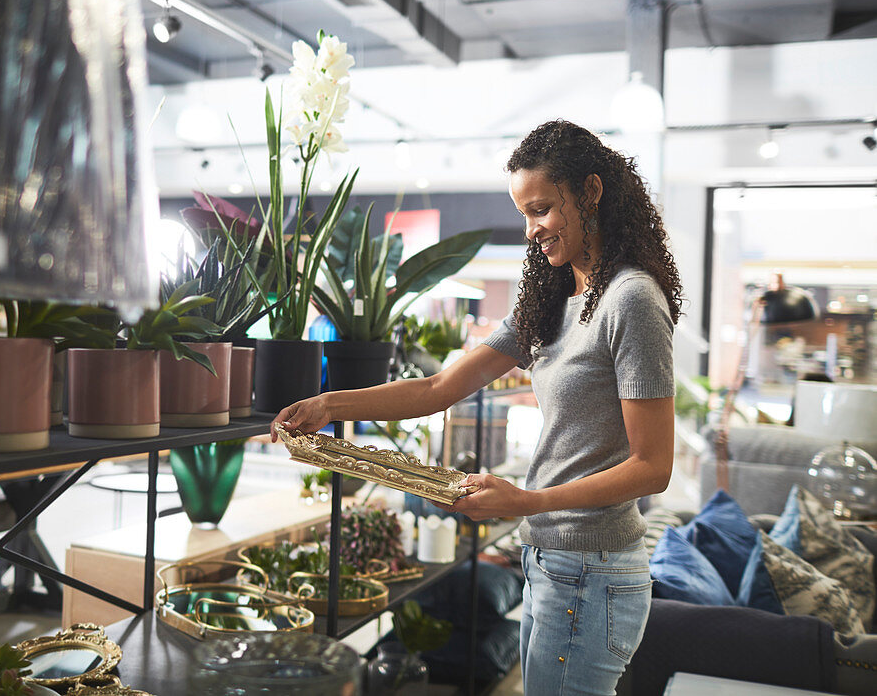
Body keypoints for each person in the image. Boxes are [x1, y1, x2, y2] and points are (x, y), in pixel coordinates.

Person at [272, 119, 683, 695]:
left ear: (591, 192)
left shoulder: (632, 299)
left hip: (594, 571)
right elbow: (438, 389)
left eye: (541, 209)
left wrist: (525, 501)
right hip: (551, 562)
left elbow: (653, 466)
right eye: (524, 213)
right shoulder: (554, 301)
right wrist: (328, 403)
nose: (531, 229)